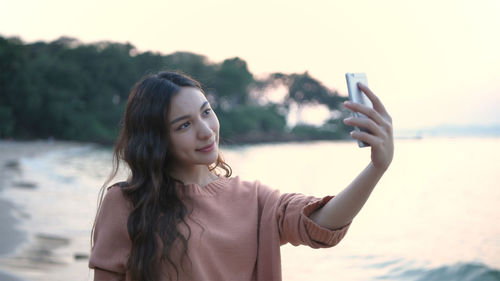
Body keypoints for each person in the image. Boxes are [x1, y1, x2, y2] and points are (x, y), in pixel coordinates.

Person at [89, 71, 394, 281]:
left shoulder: (254, 199)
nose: (206, 131)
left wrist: (376, 168)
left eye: (206, 112)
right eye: (184, 125)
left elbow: (319, 223)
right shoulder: (126, 203)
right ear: (157, 138)